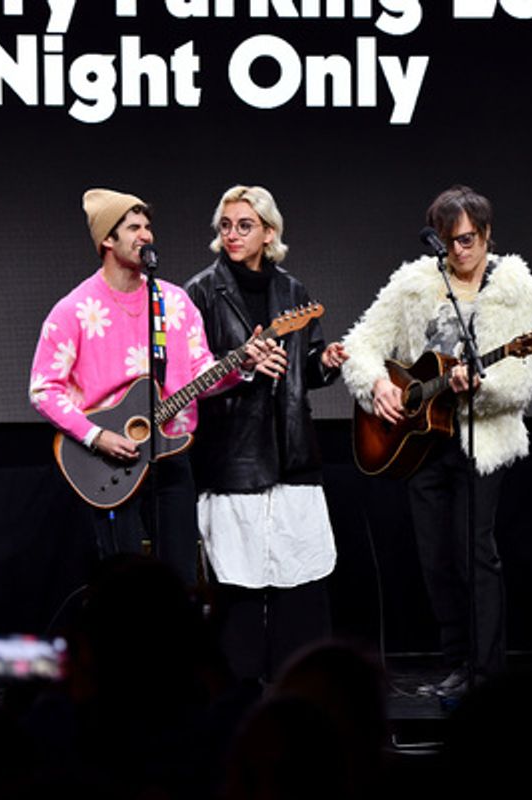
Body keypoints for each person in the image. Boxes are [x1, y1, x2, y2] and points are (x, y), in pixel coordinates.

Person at [341, 185, 532, 695]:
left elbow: (521, 383)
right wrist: (377, 384)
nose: (460, 251)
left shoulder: (522, 291)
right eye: (450, 241)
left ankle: (486, 674)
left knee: (473, 553)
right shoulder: (414, 284)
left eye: (469, 240)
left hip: (482, 440)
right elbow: (361, 343)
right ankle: (458, 664)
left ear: (486, 235)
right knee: (434, 557)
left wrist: (480, 388)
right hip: (420, 443)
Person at [29, 189, 276, 586]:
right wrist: (97, 436)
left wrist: (240, 364)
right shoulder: (73, 309)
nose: (146, 235)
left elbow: (200, 373)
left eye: (147, 226)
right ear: (107, 240)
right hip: (111, 462)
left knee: (179, 579)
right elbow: (44, 390)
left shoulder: (173, 302)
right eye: (133, 227)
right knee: (124, 584)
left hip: (171, 456)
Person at [184, 185, 347, 683]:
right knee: (238, 589)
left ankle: (297, 691)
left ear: (269, 232)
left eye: (244, 225)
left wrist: (328, 362)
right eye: (226, 225)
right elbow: (191, 378)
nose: (232, 234)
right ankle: (235, 700)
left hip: (291, 453)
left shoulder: (292, 291)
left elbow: (306, 370)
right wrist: (245, 367)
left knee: (299, 587)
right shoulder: (201, 292)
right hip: (234, 456)